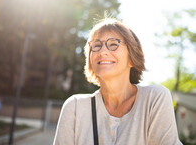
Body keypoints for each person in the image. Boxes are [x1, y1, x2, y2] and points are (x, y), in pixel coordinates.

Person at [53, 17, 182, 145]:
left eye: (113, 44)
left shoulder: (154, 99)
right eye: (96, 45)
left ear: (132, 57)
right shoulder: (75, 107)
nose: (102, 51)